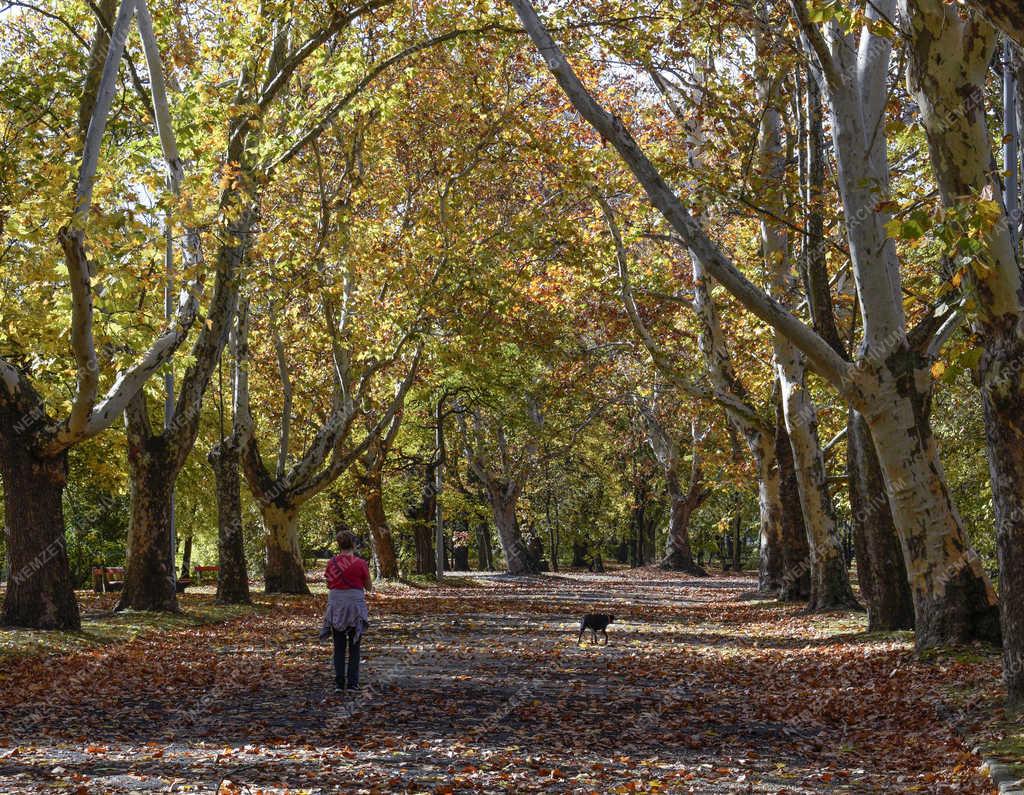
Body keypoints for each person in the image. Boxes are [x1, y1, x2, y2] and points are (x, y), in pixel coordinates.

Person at [319, 530, 372, 692]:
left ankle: (339, 683)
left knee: (339, 645)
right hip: (355, 606)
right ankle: (353, 683)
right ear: (354, 544)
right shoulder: (360, 563)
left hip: (337, 606)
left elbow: (329, 584)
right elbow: (368, 587)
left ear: (339, 545)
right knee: (355, 645)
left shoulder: (331, 563)